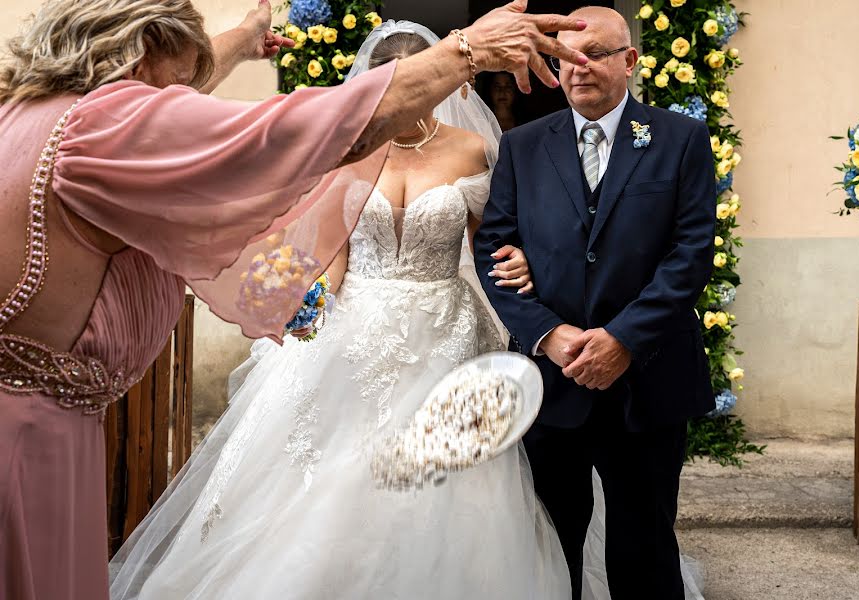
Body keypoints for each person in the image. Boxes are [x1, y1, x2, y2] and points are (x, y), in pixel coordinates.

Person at [0, 0, 589, 597]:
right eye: (180, 81)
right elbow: (272, 144)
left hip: (440, 323)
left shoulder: (31, 115)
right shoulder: (99, 128)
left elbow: (493, 238)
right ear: (140, 53)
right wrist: (469, 50)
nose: (185, 98)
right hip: (29, 434)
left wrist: (239, 38)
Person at [474, 6, 716, 600]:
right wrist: (548, 336)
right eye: (564, 59)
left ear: (629, 61)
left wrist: (624, 339)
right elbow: (494, 249)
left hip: (647, 376)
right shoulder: (524, 146)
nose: (577, 70)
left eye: (594, 56)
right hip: (551, 380)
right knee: (552, 544)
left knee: (646, 540)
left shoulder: (680, 139)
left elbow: (692, 252)